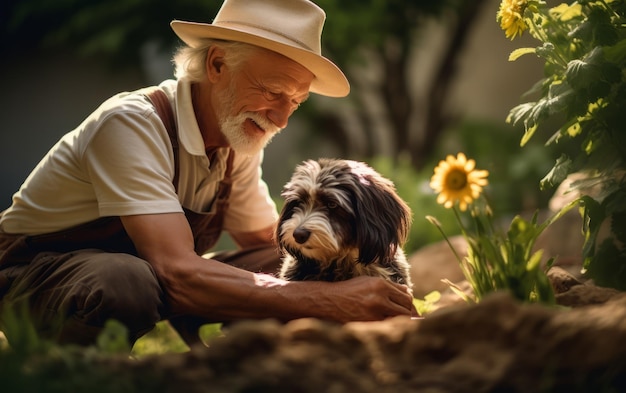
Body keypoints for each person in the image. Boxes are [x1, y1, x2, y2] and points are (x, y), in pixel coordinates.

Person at [0, 0, 416, 348]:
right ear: (217, 64)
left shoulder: (239, 134)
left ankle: (285, 364)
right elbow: (175, 272)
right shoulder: (131, 124)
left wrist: (362, 268)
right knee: (124, 280)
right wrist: (330, 301)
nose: (282, 118)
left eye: (296, 100)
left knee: (299, 259)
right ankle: (73, 369)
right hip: (34, 275)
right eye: (273, 92)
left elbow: (268, 244)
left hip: (156, 275)